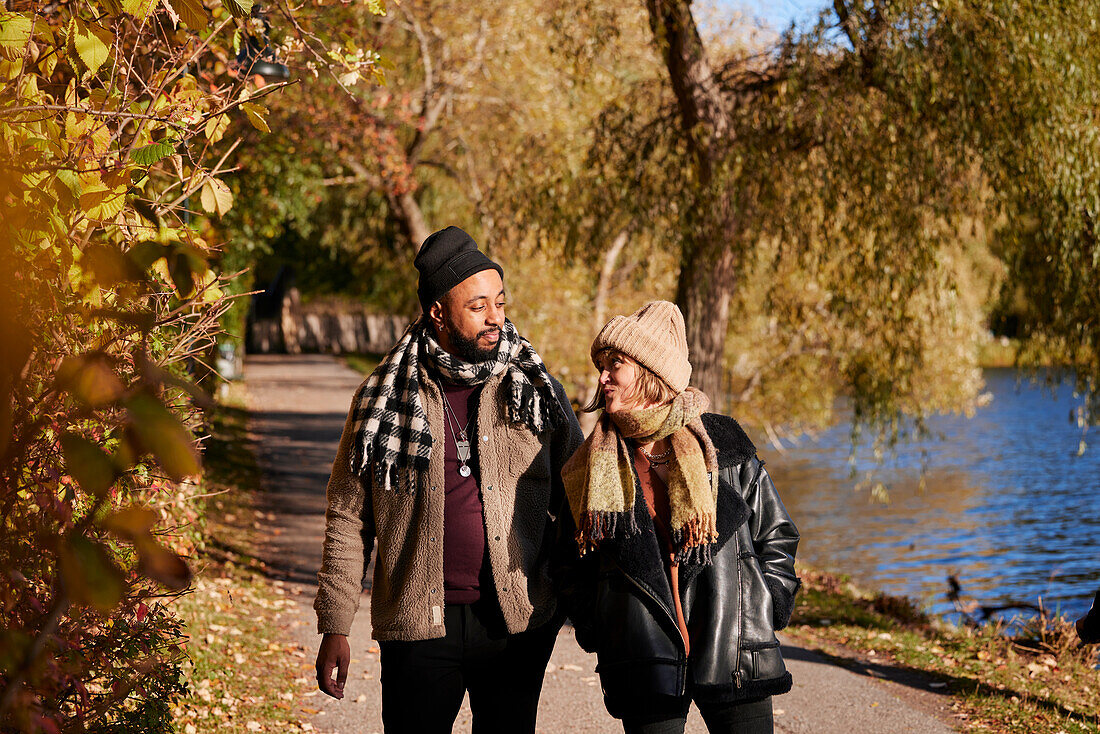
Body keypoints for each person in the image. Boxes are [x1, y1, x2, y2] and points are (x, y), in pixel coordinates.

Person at [313, 225, 583, 734]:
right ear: (438, 313)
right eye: (478, 307)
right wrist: (335, 625)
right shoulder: (381, 398)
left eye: (500, 303)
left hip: (516, 625)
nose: (496, 319)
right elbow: (348, 517)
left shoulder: (535, 388)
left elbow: (580, 492)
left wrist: (564, 596)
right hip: (417, 630)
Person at [555, 301, 801, 734]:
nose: (601, 377)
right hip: (643, 660)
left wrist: (765, 607)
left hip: (734, 651)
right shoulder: (588, 467)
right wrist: (600, 630)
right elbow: (571, 563)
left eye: (616, 364)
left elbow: (776, 534)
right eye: (601, 365)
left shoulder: (722, 446)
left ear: (653, 373)